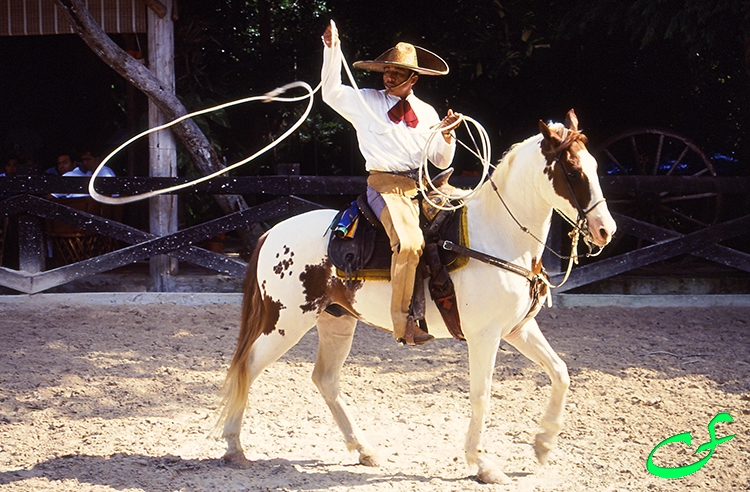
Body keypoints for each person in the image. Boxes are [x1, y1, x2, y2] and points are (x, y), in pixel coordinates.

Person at [322, 21, 460, 345]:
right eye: (386, 70)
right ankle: (404, 324)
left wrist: (447, 135)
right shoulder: (365, 101)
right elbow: (330, 93)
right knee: (410, 243)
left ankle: (453, 303)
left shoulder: (426, 113)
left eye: (396, 72)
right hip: (385, 187)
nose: (388, 76)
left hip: (422, 186)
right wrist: (331, 51)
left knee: (462, 219)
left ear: (413, 78)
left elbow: (441, 160)